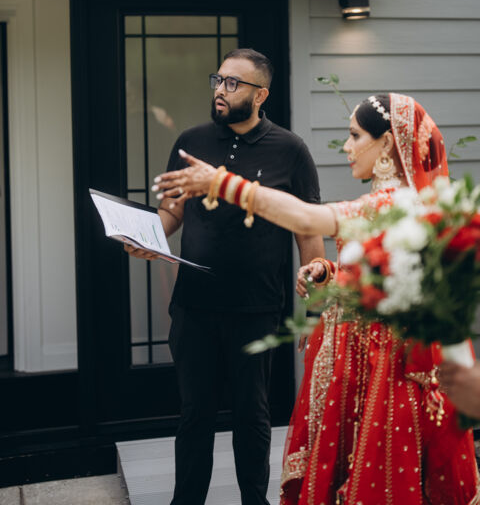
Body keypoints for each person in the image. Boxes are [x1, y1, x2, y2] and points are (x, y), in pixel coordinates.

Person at [156, 92, 480, 505]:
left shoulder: (388, 205)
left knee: (378, 474)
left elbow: (306, 218)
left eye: (355, 136)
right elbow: (384, 274)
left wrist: (224, 184)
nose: (346, 146)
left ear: (386, 144)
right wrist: (330, 271)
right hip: (361, 356)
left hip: (383, 366)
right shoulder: (406, 205)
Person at [126, 48, 324, 505]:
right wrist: (147, 237)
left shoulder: (290, 150)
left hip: (256, 307)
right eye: (218, 80)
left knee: (251, 416)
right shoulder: (191, 141)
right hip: (194, 305)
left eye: (233, 83)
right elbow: (172, 211)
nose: (220, 89)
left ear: (261, 95)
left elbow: (308, 230)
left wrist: (313, 309)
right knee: (194, 414)